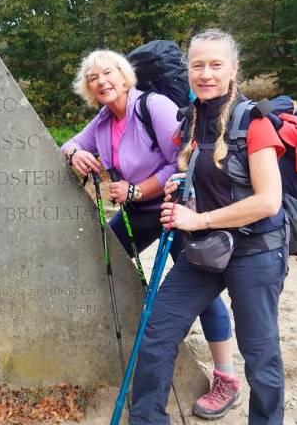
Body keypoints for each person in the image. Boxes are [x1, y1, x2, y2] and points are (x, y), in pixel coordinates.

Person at [60, 49, 239, 418]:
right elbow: (70, 143)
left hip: (177, 210)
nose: (101, 81)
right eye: (93, 78)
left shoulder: (153, 106)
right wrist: (75, 153)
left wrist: (137, 189)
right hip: (138, 215)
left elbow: (183, 161)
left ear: (125, 76)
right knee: (101, 254)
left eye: (108, 73)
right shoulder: (103, 121)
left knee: (201, 291)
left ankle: (226, 378)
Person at [129, 29, 289, 424]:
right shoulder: (190, 120)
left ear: (233, 69)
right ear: (187, 70)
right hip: (205, 250)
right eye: (197, 65)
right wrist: (180, 183)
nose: (205, 73)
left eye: (216, 65)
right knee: (157, 333)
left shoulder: (253, 122)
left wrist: (198, 219)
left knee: (260, 356)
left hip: (256, 250)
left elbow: (268, 200)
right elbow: (207, 173)